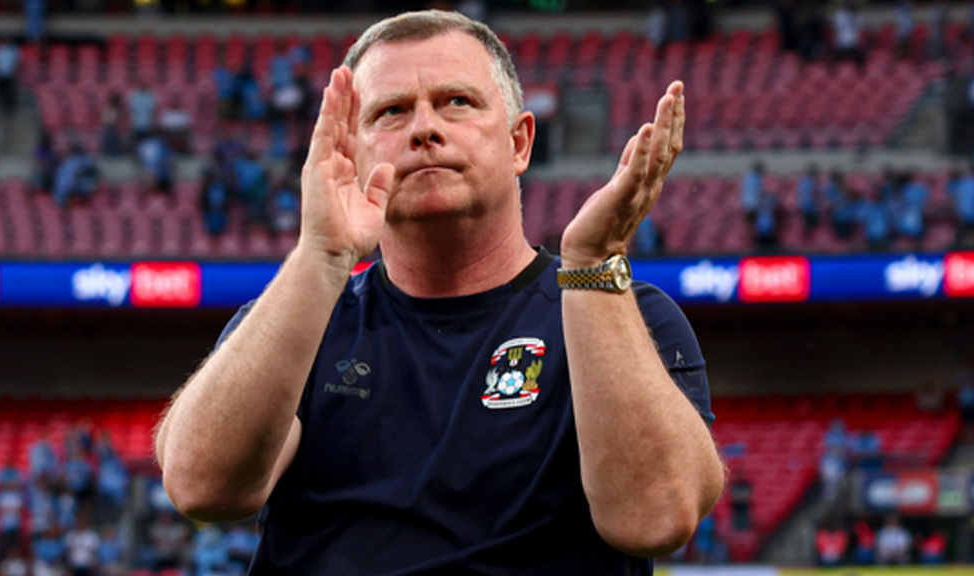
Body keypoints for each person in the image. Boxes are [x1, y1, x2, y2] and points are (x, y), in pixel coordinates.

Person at [154, 10, 724, 575]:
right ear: (352, 156)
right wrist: (320, 256)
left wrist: (594, 268)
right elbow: (202, 486)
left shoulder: (626, 314)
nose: (425, 129)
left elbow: (655, 519)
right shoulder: (305, 317)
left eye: (458, 102)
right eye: (392, 111)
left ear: (520, 142)